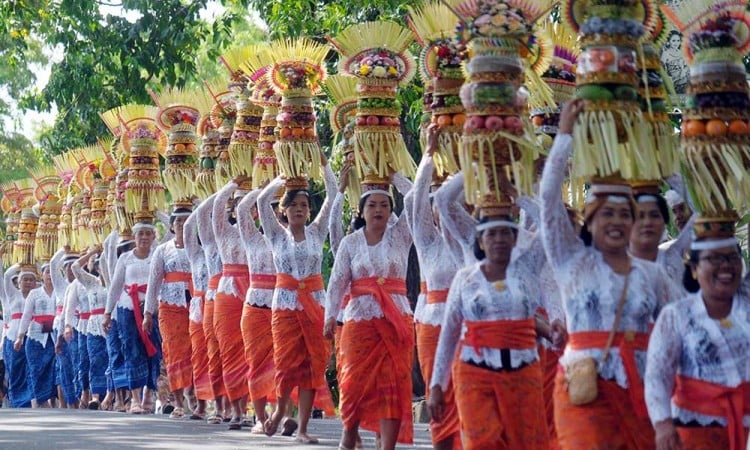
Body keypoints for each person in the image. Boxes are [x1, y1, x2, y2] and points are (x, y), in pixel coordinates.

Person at [540, 99, 680, 450]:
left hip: (643, 392)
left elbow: (680, 330)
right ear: (591, 221)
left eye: (624, 214)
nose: (616, 222)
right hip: (584, 387)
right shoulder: (571, 260)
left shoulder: (652, 275)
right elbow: (547, 200)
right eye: (607, 215)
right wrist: (565, 134)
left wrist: (667, 169)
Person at [324, 170, 414, 450]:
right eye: (372, 205)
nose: (378, 210)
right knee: (354, 382)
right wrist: (329, 316)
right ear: (361, 210)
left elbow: (416, 199)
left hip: (396, 320)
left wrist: (395, 175)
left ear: (391, 210)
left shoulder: (402, 236)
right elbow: (337, 282)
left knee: (391, 383)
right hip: (359, 320)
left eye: (384, 205)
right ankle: (349, 431)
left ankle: (387, 445)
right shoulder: (351, 243)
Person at [646, 231, 750, 450]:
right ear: (694, 269)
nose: (725, 266)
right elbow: (657, 374)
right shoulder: (677, 315)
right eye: (714, 259)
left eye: (731, 258)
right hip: (694, 431)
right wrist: (663, 424)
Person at [258, 155, 337, 443]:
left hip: (315, 305)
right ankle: (279, 412)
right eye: (294, 205)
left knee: (312, 365)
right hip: (285, 307)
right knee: (286, 364)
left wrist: (323, 162)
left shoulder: (317, 231)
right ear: (285, 210)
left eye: (304, 205)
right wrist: (281, 180)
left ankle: (303, 428)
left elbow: (333, 192)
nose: (300, 209)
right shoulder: (277, 237)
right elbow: (260, 204)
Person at [404, 125, 461, 450]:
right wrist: (428, 154)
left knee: (464, 394)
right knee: (437, 396)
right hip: (429, 325)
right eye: (436, 207)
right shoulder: (426, 242)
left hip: (465, 327)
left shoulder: (471, 241)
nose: (441, 212)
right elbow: (414, 201)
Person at [237, 185, 298, 435]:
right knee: (256, 363)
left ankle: (282, 416)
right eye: (269, 211)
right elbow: (241, 210)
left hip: (283, 305)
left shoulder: (292, 240)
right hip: (254, 306)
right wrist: (266, 187)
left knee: (283, 363)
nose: (273, 217)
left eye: (277, 211)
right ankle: (260, 418)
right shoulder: (252, 238)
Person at [103, 219, 163, 415]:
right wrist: (107, 312)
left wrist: (158, 215)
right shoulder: (126, 258)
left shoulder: (158, 254)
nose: (144, 237)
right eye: (140, 234)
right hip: (127, 309)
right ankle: (135, 399)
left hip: (153, 308)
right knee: (131, 350)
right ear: (134, 237)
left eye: (148, 233)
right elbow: (116, 286)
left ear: (154, 237)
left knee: (154, 350)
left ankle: (148, 394)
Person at [144, 208, 194, 419]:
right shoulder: (163, 250)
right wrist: (148, 312)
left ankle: (195, 397)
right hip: (170, 307)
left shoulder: (199, 248)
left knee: (196, 351)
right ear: (171, 225)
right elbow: (154, 281)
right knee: (173, 352)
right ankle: (178, 402)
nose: (182, 224)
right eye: (178, 221)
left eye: (187, 220)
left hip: (196, 304)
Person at [212, 180, 251, 429]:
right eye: (240, 203)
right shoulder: (224, 231)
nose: (246, 208)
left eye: (250, 204)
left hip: (255, 292)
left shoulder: (263, 232)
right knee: (229, 352)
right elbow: (215, 206)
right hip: (227, 294)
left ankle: (248, 407)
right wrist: (233, 184)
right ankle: (235, 410)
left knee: (253, 354)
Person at [195, 193, 228, 423]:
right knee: (214, 352)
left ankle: (238, 408)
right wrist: (215, 195)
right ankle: (218, 407)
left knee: (236, 352)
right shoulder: (207, 241)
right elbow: (192, 223)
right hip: (212, 298)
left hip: (237, 296)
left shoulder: (240, 235)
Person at [182, 205, 211, 420]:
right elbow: (188, 227)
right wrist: (200, 205)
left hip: (220, 302)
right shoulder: (195, 253)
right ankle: (200, 405)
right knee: (199, 355)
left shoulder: (221, 247)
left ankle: (226, 407)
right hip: (198, 306)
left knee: (218, 354)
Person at [71, 248, 108, 409]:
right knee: (95, 360)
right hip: (92, 326)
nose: (104, 268)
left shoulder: (116, 281)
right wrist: (93, 251)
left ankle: (112, 395)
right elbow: (75, 268)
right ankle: (95, 395)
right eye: (102, 265)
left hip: (110, 324)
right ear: (98, 268)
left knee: (111, 359)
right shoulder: (91, 282)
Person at [15, 264, 57, 407]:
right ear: (42, 275)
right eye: (47, 272)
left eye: (53, 272)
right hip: (36, 337)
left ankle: (50, 398)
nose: (50, 275)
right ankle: (38, 400)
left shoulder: (61, 291)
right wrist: (20, 336)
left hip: (54, 337)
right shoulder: (35, 294)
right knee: (35, 369)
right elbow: (26, 316)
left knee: (51, 369)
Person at [49, 248, 78, 408]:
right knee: (65, 364)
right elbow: (53, 264)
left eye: (74, 265)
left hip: (80, 326)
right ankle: (70, 402)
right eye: (67, 265)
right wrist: (64, 250)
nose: (71, 268)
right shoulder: (61, 285)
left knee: (78, 364)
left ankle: (81, 397)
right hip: (61, 329)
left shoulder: (84, 282)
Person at [2, 264, 33, 407]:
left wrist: (34, 263)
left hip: (32, 336)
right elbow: (7, 276)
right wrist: (20, 264)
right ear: (19, 283)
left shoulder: (37, 295)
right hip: (13, 336)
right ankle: (16, 401)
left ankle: (30, 400)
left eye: (30, 280)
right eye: (24, 280)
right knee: (15, 370)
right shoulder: (13, 294)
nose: (27, 283)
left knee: (29, 369)